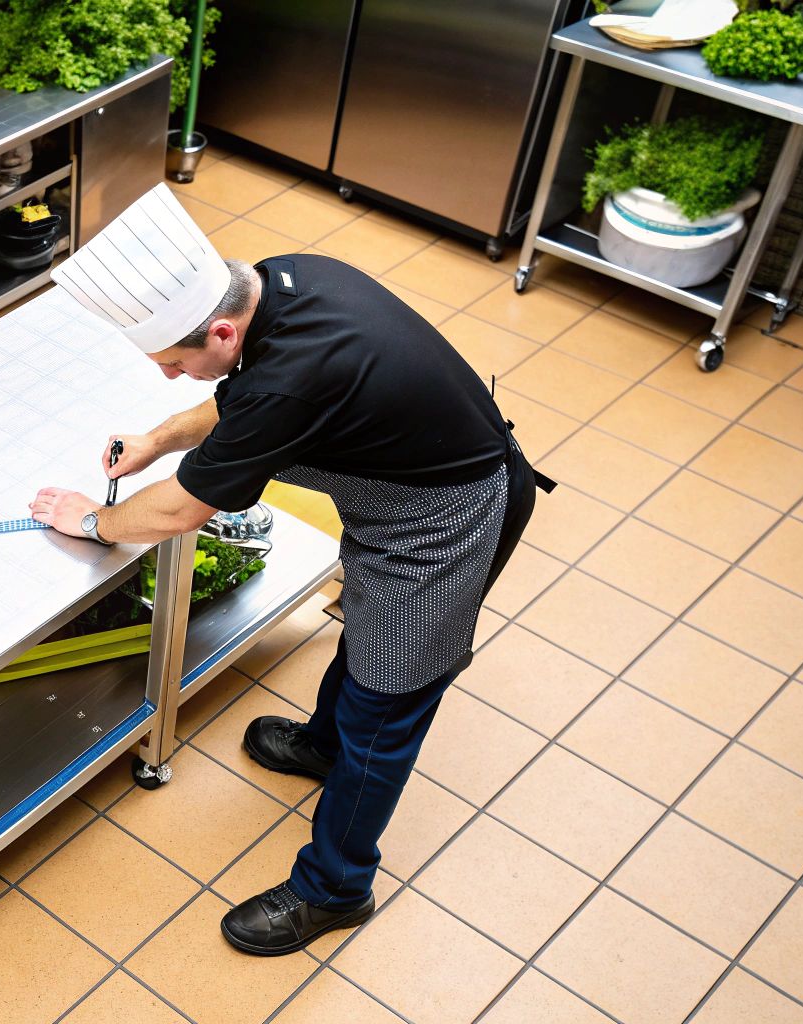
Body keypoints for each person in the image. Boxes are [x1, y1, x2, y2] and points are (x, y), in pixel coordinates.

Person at [28, 183, 549, 956]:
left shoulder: (286, 374)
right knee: (366, 637)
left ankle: (337, 887)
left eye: (174, 360)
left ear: (224, 328)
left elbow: (177, 513)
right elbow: (236, 398)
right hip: (399, 495)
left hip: (446, 522)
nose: (172, 375)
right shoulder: (284, 281)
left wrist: (93, 519)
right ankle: (324, 746)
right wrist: (155, 439)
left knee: (389, 701)